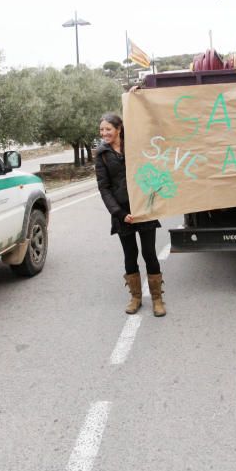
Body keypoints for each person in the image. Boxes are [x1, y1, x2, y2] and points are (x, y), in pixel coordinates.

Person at [95, 112, 166, 317]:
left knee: (149, 253)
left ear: (119, 129)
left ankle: (157, 299)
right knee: (130, 255)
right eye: (101, 130)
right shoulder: (101, 155)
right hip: (121, 213)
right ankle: (135, 297)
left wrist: (137, 92)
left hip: (143, 208)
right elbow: (104, 188)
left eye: (108, 129)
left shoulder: (135, 146)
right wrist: (118, 213)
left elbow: (144, 121)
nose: (104, 133)